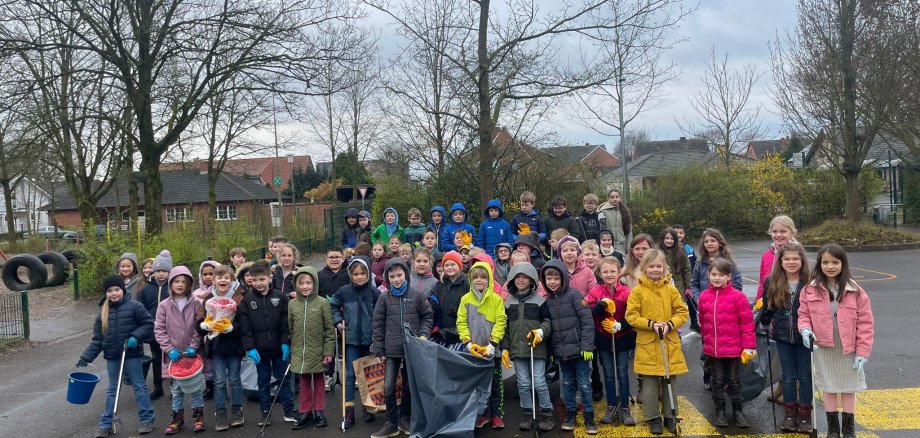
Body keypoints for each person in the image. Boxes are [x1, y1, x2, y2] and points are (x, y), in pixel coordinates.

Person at [798, 244, 874, 438]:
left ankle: (848, 428)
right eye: (825, 262)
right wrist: (805, 329)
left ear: (843, 264)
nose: (830, 266)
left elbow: (865, 323)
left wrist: (863, 351)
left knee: (849, 389)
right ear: (819, 264)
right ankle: (833, 429)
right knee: (829, 388)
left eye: (835, 262)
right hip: (823, 347)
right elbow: (803, 315)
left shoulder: (856, 291)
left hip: (849, 349)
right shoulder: (809, 290)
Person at [77, 275, 155, 438]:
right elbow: (98, 339)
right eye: (110, 291)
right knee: (113, 388)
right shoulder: (102, 314)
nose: (114, 293)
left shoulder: (135, 306)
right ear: (105, 293)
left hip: (132, 353)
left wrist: (135, 337)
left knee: (139, 385)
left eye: (117, 290)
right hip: (113, 355)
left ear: (123, 290)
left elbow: (148, 323)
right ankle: (106, 423)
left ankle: (147, 419)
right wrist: (86, 357)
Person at [625, 249, 688, 435]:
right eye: (651, 266)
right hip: (648, 345)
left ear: (664, 268)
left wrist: (670, 324)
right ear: (644, 267)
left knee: (670, 381)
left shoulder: (671, 289)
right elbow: (631, 316)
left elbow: (682, 312)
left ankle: (670, 415)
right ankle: (653, 417)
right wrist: (651, 325)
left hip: (668, 343)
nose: (655, 269)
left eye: (658, 266)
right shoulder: (637, 291)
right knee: (650, 384)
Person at [370, 258, 434, 438]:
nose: (396, 279)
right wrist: (379, 349)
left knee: (408, 387)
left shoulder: (417, 295)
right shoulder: (384, 297)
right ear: (387, 278)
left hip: (412, 348)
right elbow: (377, 323)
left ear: (406, 274)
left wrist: (422, 335)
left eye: (399, 275)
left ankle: (404, 417)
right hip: (391, 350)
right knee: (389, 386)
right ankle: (390, 422)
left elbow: (427, 317)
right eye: (392, 276)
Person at [760, 242, 814, 433]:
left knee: (806, 376)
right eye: (787, 259)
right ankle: (790, 415)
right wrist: (764, 322)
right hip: (782, 336)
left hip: (805, 336)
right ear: (780, 261)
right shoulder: (772, 281)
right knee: (789, 376)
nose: (791, 262)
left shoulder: (811, 281)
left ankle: (806, 415)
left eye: (795, 259)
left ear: (802, 260)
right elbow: (768, 306)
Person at [237, 261, 298, 427]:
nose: (258, 283)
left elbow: (286, 323)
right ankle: (265, 412)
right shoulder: (247, 301)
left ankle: (289, 410)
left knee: (284, 380)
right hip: (259, 350)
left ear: (269, 278)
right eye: (254, 280)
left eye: (262, 279)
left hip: (279, 348)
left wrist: (286, 342)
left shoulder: (280, 297)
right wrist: (249, 347)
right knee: (263, 381)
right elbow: (245, 327)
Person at [698, 257, 756, 428]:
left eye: (721, 275)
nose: (717, 278)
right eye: (714, 274)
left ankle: (738, 411)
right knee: (716, 380)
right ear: (708, 275)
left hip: (733, 348)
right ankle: (720, 411)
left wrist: (749, 346)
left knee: (734, 379)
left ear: (729, 276)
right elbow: (703, 320)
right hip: (713, 349)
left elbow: (747, 323)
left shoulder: (738, 297)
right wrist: (705, 340)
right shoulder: (704, 296)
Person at [541, 259, 597, 434]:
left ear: (563, 278)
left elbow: (587, 322)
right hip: (562, 353)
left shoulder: (574, 296)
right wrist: (552, 352)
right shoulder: (547, 301)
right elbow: (549, 328)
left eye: (556, 278)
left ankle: (589, 416)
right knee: (567, 384)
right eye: (548, 279)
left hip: (581, 351)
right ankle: (570, 414)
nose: (552, 282)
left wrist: (588, 346)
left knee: (585, 384)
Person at [500, 262, 554, 431]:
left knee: (539, 382)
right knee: (523, 383)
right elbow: (506, 327)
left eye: (525, 277)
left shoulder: (540, 301)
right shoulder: (508, 302)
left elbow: (548, 321)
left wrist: (541, 332)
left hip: (536, 348)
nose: (521, 280)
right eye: (518, 277)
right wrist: (505, 348)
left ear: (532, 280)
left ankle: (547, 413)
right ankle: (527, 415)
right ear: (512, 280)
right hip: (517, 349)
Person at [154, 266, 205, 434]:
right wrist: (168, 349)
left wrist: (194, 346)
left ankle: (198, 418)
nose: (180, 284)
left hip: (191, 356)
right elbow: (159, 330)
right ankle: (178, 419)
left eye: (184, 281)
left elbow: (200, 327)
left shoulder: (197, 303)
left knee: (195, 388)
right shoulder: (164, 305)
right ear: (171, 284)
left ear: (190, 284)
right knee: (176, 390)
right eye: (176, 281)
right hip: (173, 358)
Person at [329, 258, 380, 428]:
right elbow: (333, 306)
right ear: (351, 275)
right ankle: (349, 410)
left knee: (368, 375)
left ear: (368, 274)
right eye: (356, 274)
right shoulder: (344, 291)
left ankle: (368, 407)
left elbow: (381, 313)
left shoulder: (374, 293)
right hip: (350, 340)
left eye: (362, 273)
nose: (359, 277)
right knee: (350, 375)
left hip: (369, 340)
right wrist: (338, 321)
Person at [690, 228, 743, 391]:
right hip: (706, 310)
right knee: (708, 345)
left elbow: (737, 285)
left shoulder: (729, 263)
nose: (709, 244)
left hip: (725, 312)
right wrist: (700, 299)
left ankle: (726, 378)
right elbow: (694, 285)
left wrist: (725, 300)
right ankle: (709, 376)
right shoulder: (700, 263)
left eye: (712, 240)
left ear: (720, 242)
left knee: (726, 345)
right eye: (706, 241)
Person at [587, 256, 637, 425]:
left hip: (622, 338)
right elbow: (590, 314)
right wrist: (598, 308)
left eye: (612, 271)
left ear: (619, 272)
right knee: (608, 373)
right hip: (603, 338)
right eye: (605, 271)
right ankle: (611, 405)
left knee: (622, 373)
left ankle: (625, 407)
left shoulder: (627, 292)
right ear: (599, 273)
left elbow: (633, 316)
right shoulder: (595, 291)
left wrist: (620, 325)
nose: (609, 274)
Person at [458, 261, 509, 430]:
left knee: (495, 385)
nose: (479, 280)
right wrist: (467, 342)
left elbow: (501, 321)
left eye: (483, 277)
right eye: (476, 277)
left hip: (491, 351)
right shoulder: (465, 300)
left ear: (489, 279)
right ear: (471, 279)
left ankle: (497, 415)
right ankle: (482, 414)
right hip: (473, 351)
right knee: (477, 386)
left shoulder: (496, 299)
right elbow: (462, 321)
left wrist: (493, 343)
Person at [195, 265, 245, 430]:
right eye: (219, 277)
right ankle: (220, 412)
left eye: (226, 278)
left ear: (232, 281)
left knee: (235, 379)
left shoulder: (239, 297)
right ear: (214, 281)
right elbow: (200, 319)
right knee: (218, 381)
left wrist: (233, 327)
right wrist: (204, 325)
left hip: (233, 345)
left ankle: (237, 410)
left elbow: (244, 322)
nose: (223, 280)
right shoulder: (208, 298)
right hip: (216, 346)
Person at [288, 266, 336, 430]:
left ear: (314, 283)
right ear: (296, 285)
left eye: (308, 282)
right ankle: (305, 412)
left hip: (319, 351)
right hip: (300, 351)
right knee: (304, 383)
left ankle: (319, 411)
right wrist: (293, 349)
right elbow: (291, 329)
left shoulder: (323, 303)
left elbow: (330, 330)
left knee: (320, 382)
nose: (305, 286)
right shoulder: (292, 304)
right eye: (301, 283)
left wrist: (328, 351)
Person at [138, 249, 172, 400]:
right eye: (158, 270)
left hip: (171, 329)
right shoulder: (146, 288)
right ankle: (158, 387)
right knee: (157, 358)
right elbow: (141, 308)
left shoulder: (173, 287)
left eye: (164, 271)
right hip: (153, 330)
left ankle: (175, 388)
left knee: (172, 358)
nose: (161, 274)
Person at [659, 228, 695, 332]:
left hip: (678, 284)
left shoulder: (681, 251)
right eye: (667, 238)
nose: (669, 241)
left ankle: (676, 330)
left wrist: (688, 286)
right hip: (662, 283)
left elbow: (687, 269)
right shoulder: (658, 251)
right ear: (662, 239)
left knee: (678, 308)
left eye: (671, 239)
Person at [430, 251, 468, 348]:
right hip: (443, 328)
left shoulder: (466, 284)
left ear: (459, 266)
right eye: (446, 265)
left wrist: (459, 310)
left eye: (452, 264)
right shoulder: (439, 285)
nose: (449, 267)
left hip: (461, 331)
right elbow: (433, 303)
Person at [757, 215, 798, 302]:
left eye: (783, 231)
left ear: (792, 233)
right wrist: (758, 299)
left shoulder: (798, 254)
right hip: (769, 300)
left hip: (789, 301)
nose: (778, 235)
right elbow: (762, 282)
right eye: (774, 231)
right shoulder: (766, 256)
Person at [597, 189, 632, 254]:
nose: (615, 199)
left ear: (620, 198)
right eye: (612, 197)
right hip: (608, 246)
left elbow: (629, 231)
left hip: (622, 246)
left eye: (617, 197)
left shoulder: (625, 212)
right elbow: (601, 229)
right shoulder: (603, 212)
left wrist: (629, 247)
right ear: (608, 199)